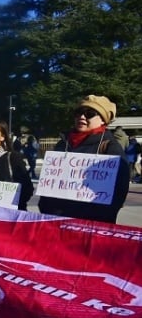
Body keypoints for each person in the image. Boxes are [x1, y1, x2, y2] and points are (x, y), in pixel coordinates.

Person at [38, 95, 129, 223]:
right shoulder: (63, 143)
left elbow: (120, 190)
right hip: (56, 220)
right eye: (78, 113)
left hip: (90, 224)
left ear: (103, 120)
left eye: (89, 114)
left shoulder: (110, 147)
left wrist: (101, 217)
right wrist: (46, 207)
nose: (82, 117)